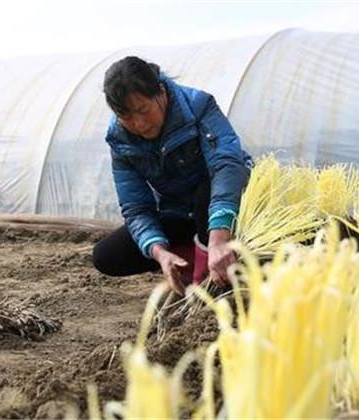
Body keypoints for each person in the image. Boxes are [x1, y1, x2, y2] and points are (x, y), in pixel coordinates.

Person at [92, 56, 252, 296]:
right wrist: (159, 252)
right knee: (106, 255)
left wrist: (219, 237)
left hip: (227, 206)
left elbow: (227, 166)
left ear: (161, 91)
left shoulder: (199, 106)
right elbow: (136, 208)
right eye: (127, 117)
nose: (139, 124)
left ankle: (214, 266)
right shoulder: (120, 141)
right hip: (179, 212)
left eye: (143, 110)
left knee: (204, 193)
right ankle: (192, 259)